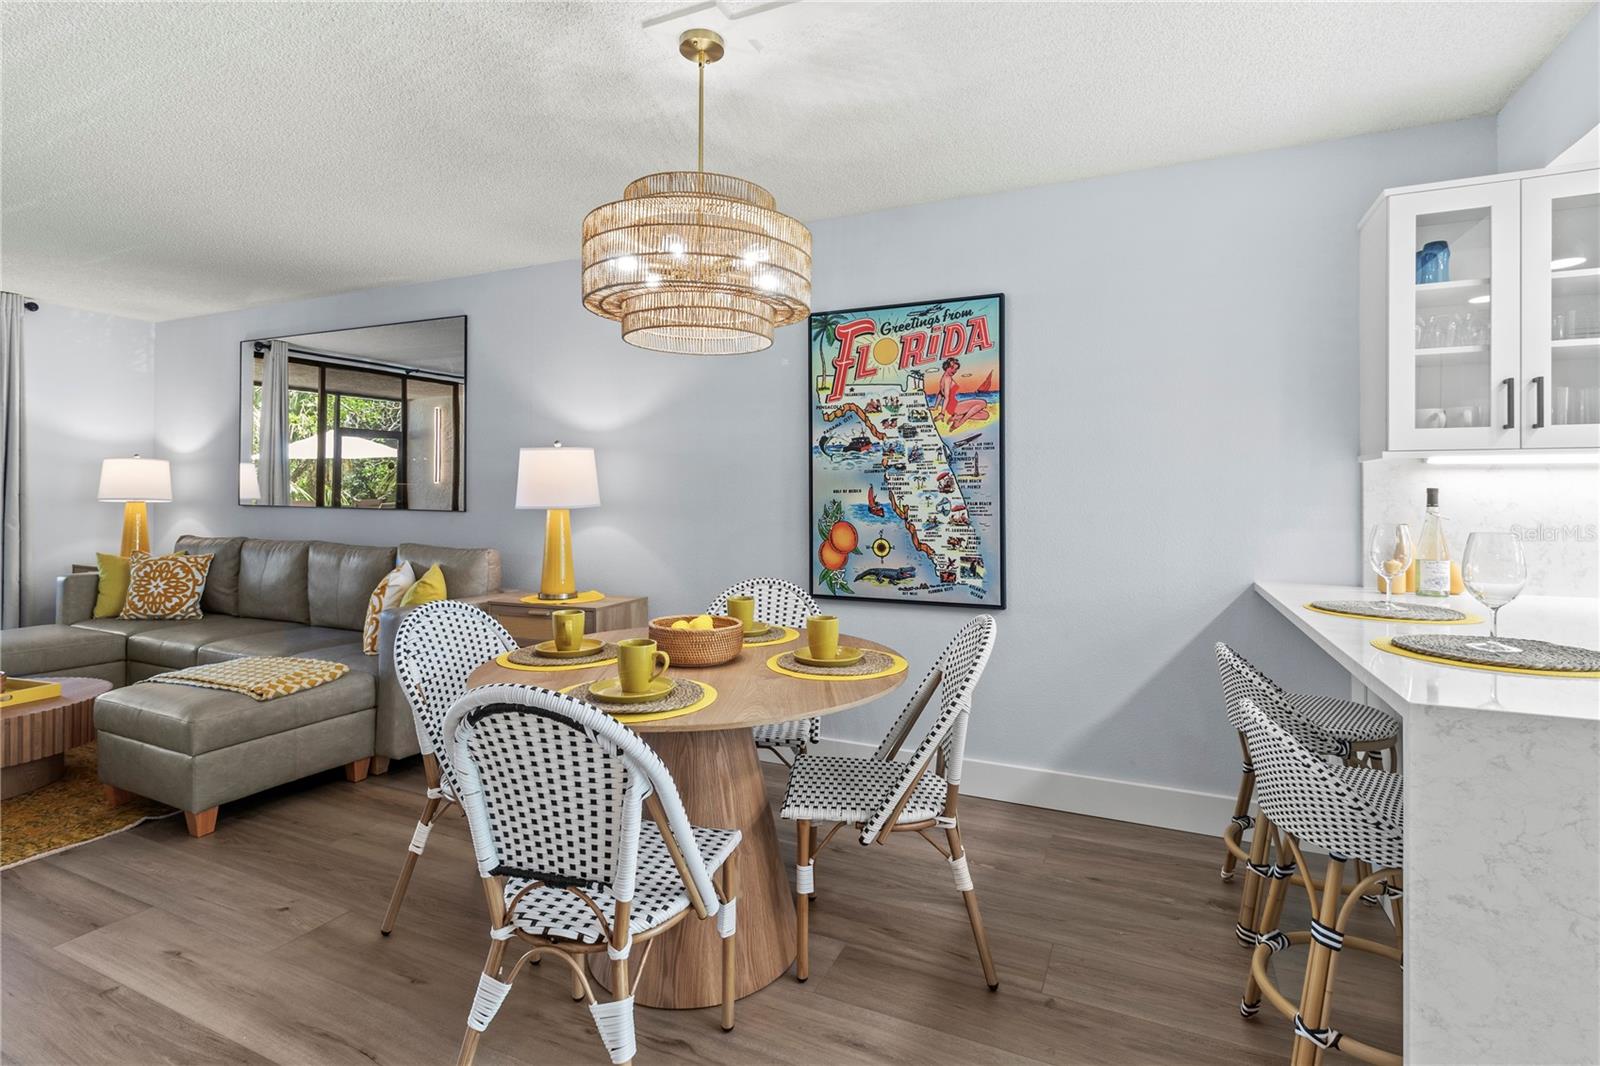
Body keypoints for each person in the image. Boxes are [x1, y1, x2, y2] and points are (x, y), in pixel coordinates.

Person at [933, 357, 990, 433]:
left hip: (953, 406)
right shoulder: (948, 379)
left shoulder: (943, 378)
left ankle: (958, 417)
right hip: (954, 407)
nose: (954, 371)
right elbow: (946, 397)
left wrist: (935, 407)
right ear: (947, 367)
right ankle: (959, 423)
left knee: (985, 415)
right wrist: (942, 413)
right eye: (952, 368)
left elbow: (940, 393)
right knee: (983, 403)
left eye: (956, 369)